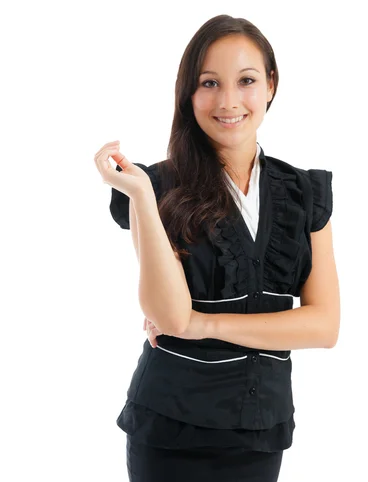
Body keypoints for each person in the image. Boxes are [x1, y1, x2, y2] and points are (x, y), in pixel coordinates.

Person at [93, 14, 340, 482]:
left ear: (270, 84)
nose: (228, 102)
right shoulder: (156, 186)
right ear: (189, 93)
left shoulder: (303, 193)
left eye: (246, 80)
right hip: (169, 429)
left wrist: (203, 323)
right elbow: (168, 316)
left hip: (259, 431)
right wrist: (142, 196)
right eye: (209, 83)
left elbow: (324, 325)